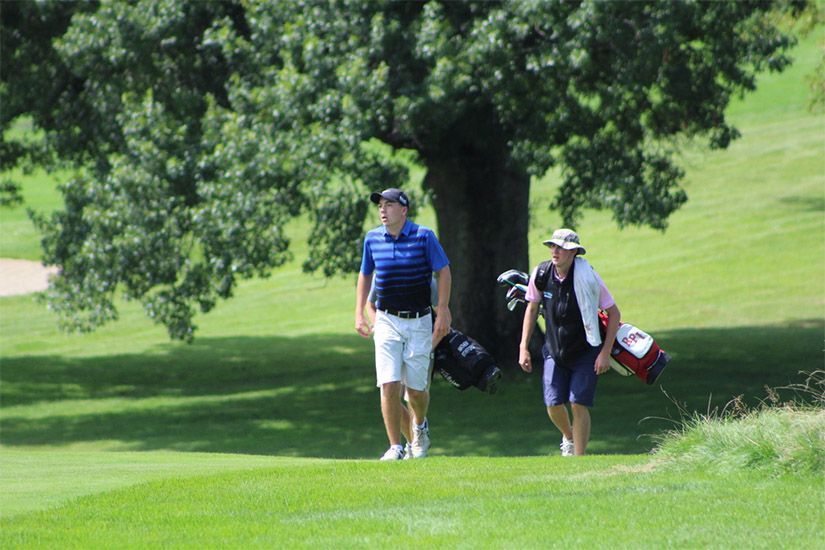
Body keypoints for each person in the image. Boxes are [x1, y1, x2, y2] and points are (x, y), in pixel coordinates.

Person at [355, 188, 452, 460]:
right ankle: (395, 446)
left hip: (419, 320)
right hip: (386, 319)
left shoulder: (424, 237)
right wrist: (358, 313)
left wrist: (442, 308)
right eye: (380, 206)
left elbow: (443, 271)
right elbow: (365, 275)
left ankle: (419, 425)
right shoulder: (372, 239)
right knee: (389, 384)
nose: (382, 210)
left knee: (416, 391)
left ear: (404, 210)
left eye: (389, 205)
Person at [518, 228, 620, 456]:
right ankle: (569, 437)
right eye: (553, 246)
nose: (555, 251)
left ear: (573, 252)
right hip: (554, 350)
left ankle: (579, 458)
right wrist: (523, 346)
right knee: (553, 404)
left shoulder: (588, 277)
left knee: (577, 403)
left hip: (586, 351)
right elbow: (532, 308)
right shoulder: (542, 274)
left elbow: (614, 313)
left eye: (561, 248)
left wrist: (605, 352)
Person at [366, 276, 438, 459]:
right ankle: (407, 446)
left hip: (420, 339)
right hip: (391, 337)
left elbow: (441, 316)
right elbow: (370, 304)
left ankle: (418, 438)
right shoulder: (383, 272)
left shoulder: (427, 278)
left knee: (414, 396)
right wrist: (379, 328)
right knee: (390, 390)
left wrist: (430, 345)